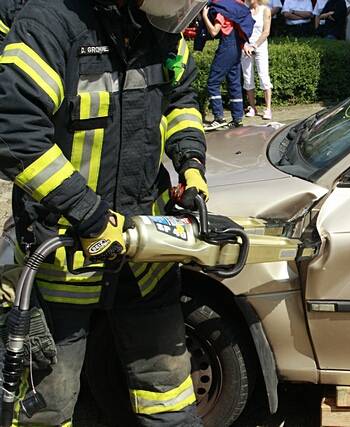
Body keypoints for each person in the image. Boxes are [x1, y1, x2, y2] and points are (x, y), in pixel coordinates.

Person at [0, 0, 210, 424]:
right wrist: (91, 215)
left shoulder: (161, 24)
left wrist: (190, 163)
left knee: (167, 392)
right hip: (63, 257)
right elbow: (16, 134)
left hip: (144, 256)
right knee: (46, 404)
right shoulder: (49, 25)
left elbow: (180, 101)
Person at [201, 0, 255, 130]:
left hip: (226, 48)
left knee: (213, 82)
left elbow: (214, 32)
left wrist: (204, 16)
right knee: (234, 83)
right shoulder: (234, 10)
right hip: (236, 48)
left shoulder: (221, 11)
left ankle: (219, 118)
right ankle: (237, 119)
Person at [242, 0, 274, 119]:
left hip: (260, 47)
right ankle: (252, 107)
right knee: (247, 78)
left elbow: (266, 32)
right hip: (245, 48)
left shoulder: (265, 10)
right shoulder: (244, 10)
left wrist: (254, 45)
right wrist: (245, 45)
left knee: (264, 77)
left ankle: (268, 109)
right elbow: (240, 30)